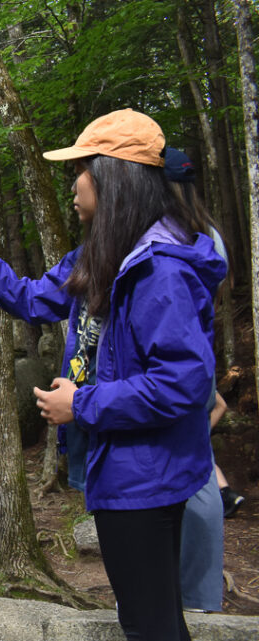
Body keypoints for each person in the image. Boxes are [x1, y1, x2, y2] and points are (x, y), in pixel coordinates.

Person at [0, 109, 225, 641]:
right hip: (132, 470)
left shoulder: (158, 268)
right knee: (161, 624)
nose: (73, 185)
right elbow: (31, 297)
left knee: (149, 631)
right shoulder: (103, 255)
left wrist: (82, 404)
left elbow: (184, 383)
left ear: (112, 177)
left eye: (82, 170)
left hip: (146, 479)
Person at [164, 147, 246, 520]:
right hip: (201, 347)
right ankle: (221, 494)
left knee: (184, 440)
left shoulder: (165, 237)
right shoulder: (209, 233)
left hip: (176, 349)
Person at [164, 148, 226, 613]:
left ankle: (174, 599)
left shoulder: (160, 244)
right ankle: (201, 599)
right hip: (200, 364)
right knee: (200, 475)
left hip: (174, 368)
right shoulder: (210, 238)